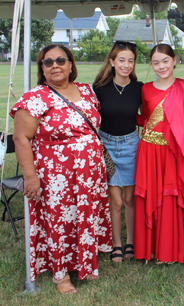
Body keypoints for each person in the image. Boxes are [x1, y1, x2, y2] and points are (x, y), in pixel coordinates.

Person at [11, 44, 112, 294]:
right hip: (56, 175)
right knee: (59, 221)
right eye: (48, 62)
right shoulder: (34, 98)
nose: (55, 65)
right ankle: (61, 275)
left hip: (88, 173)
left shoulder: (87, 91)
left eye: (60, 60)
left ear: (70, 65)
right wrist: (30, 177)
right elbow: (21, 138)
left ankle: (84, 263)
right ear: (42, 69)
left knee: (82, 216)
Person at [134, 44, 184, 263]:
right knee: (151, 196)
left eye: (165, 61)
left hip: (173, 150)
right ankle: (149, 248)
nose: (161, 67)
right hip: (149, 150)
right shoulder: (145, 89)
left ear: (174, 60)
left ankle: (169, 249)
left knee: (170, 197)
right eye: (156, 62)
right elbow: (145, 118)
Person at [93, 41, 143, 262]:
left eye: (130, 60)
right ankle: (116, 244)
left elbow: (150, 116)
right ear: (112, 61)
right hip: (107, 146)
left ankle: (131, 241)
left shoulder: (139, 88)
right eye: (121, 60)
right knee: (116, 201)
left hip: (132, 145)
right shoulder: (99, 89)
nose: (126, 65)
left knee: (130, 199)